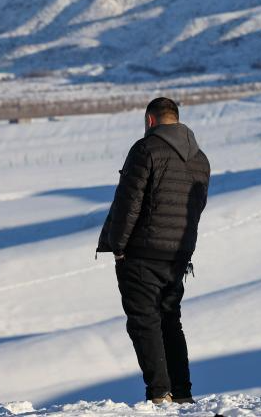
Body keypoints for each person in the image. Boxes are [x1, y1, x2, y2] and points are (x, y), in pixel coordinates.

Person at [96, 97, 210, 404]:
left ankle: (159, 392)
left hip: (142, 252)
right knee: (170, 320)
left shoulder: (146, 149)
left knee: (144, 321)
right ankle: (182, 393)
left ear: (150, 121)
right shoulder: (200, 158)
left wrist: (118, 246)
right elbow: (196, 209)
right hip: (177, 256)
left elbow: (128, 201)